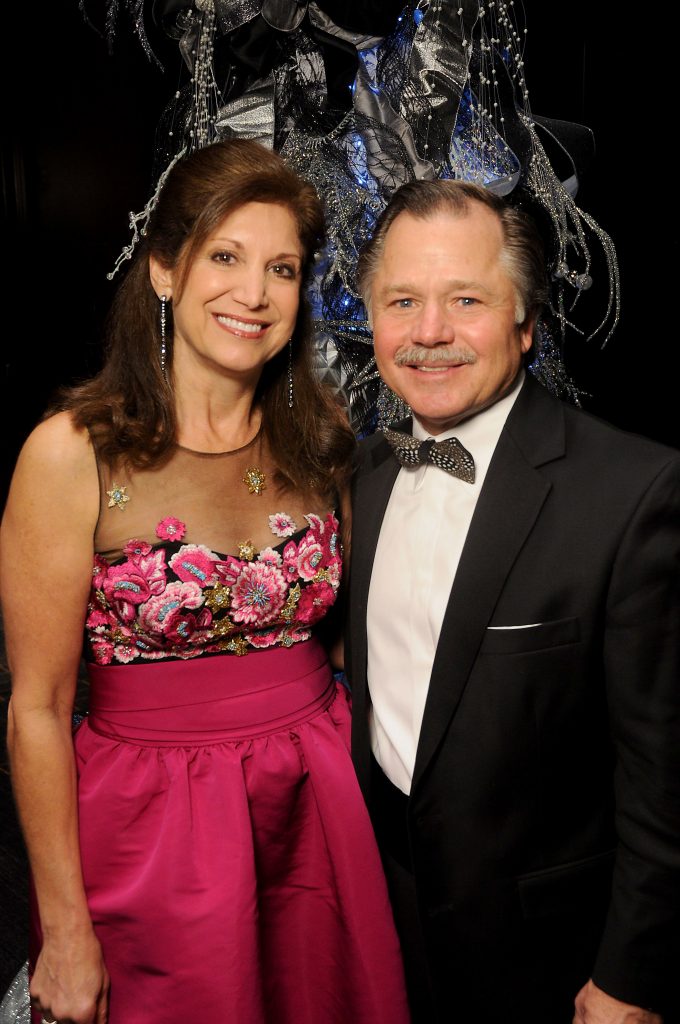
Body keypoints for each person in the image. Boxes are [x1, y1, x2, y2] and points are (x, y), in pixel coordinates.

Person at [0, 138, 410, 1024]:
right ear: (163, 270)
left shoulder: (322, 436)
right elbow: (36, 706)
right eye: (224, 256)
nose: (254, 293)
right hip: (149, 830)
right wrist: (65, 930)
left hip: (312, 811)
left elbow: (351, 639)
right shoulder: (72, 454)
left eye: (283, 268)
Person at [346, 178, 680, 1024]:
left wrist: (631, 978)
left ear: (526, 325)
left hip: (552, 958)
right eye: (403, 301)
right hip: (387, 926)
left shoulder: (633, 490)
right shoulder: (361, 476)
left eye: (466, 299)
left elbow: (664, 773)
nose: (429, 333)